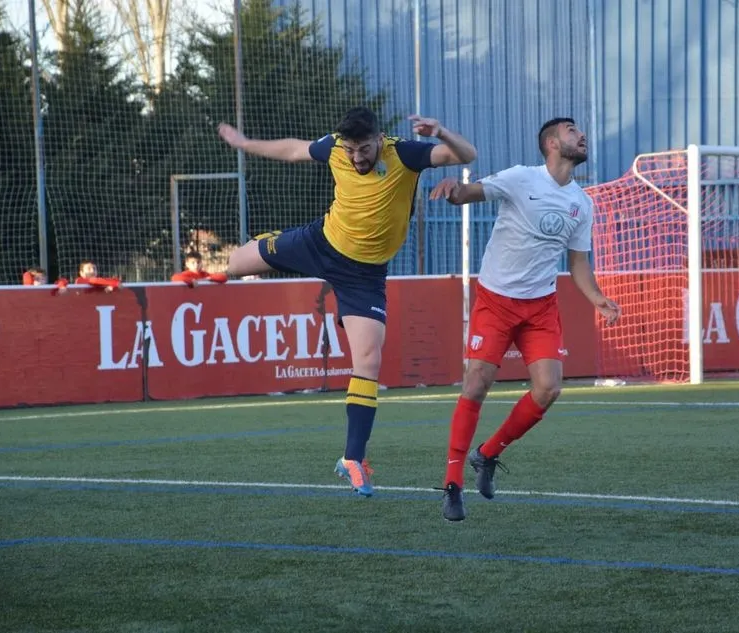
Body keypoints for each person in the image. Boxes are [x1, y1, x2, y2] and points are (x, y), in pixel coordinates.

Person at [217, 106, 477, 496]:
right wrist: (243, 144)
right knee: (235, 263)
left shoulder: (403, 154)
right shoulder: (334, 147)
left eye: (365, 149)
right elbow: (293, 150)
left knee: (368, 361)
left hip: (364, 276)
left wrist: (440, 131)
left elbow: (465, 155)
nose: (357, 157)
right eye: (352, 150)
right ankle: (270, 243)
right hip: (320, 243)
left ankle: (352, 458)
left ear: (378, 138)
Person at [428, 117, 621, 521]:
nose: (581, 135)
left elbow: (578, 264)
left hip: (540, 308)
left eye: (580, 131)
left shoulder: (582, 203)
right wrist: (453, 191)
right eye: (572, 131)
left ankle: (488, 454)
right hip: (496, 302)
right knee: (477, 382)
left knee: (549, 389)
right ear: (551, 143)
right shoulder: (521, 178)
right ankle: (452, 483)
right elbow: (472, 193)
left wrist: (597, 298)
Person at [55, 260, 121, 295]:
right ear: (81, 273)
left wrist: (112, 285)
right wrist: (61, 286)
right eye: (89, 269)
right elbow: (61, 280)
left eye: (94, 268)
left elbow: (116, 280)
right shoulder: (80, 280)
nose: (92, 271)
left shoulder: (100, 281)